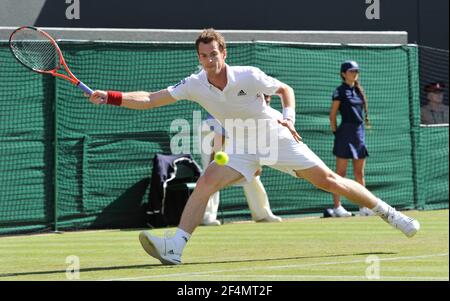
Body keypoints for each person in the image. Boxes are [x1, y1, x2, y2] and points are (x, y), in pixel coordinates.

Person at [88, 28, 420, 265]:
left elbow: (285, 90)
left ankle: (389, 213)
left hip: (274, 136)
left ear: (223, 53)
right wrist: (112, 97)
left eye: (213, 55)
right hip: (242, 144)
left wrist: (289, 118)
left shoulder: (248, 75)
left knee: (329, 181)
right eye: (203, 56)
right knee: (206, 181)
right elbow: (150, 98)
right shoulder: (194, 83)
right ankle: (176, 246)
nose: (208, 61)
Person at [201, 97, 282, 226]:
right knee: (211, 174)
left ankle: (262, 214)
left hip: (235, 133)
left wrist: (255, 163)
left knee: (251, 173)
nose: (267, 102)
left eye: (269, 99)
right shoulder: (237, 100)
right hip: (214, 132)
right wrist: (216, 156)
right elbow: (218, 131)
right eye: (265, 98)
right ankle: (206, 217)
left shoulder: (259, 111)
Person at [329, 61, 374, 217]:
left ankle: (364, 207)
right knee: (340, 174)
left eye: (356, 71)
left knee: (359, 174)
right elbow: (333, 115)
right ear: (343, 74)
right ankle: (337, 207)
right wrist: (337, 133)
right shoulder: (339, 91)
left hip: (358, 134)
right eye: (351, 71)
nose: (354, 73)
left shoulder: (359, 91)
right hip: (344, 134)